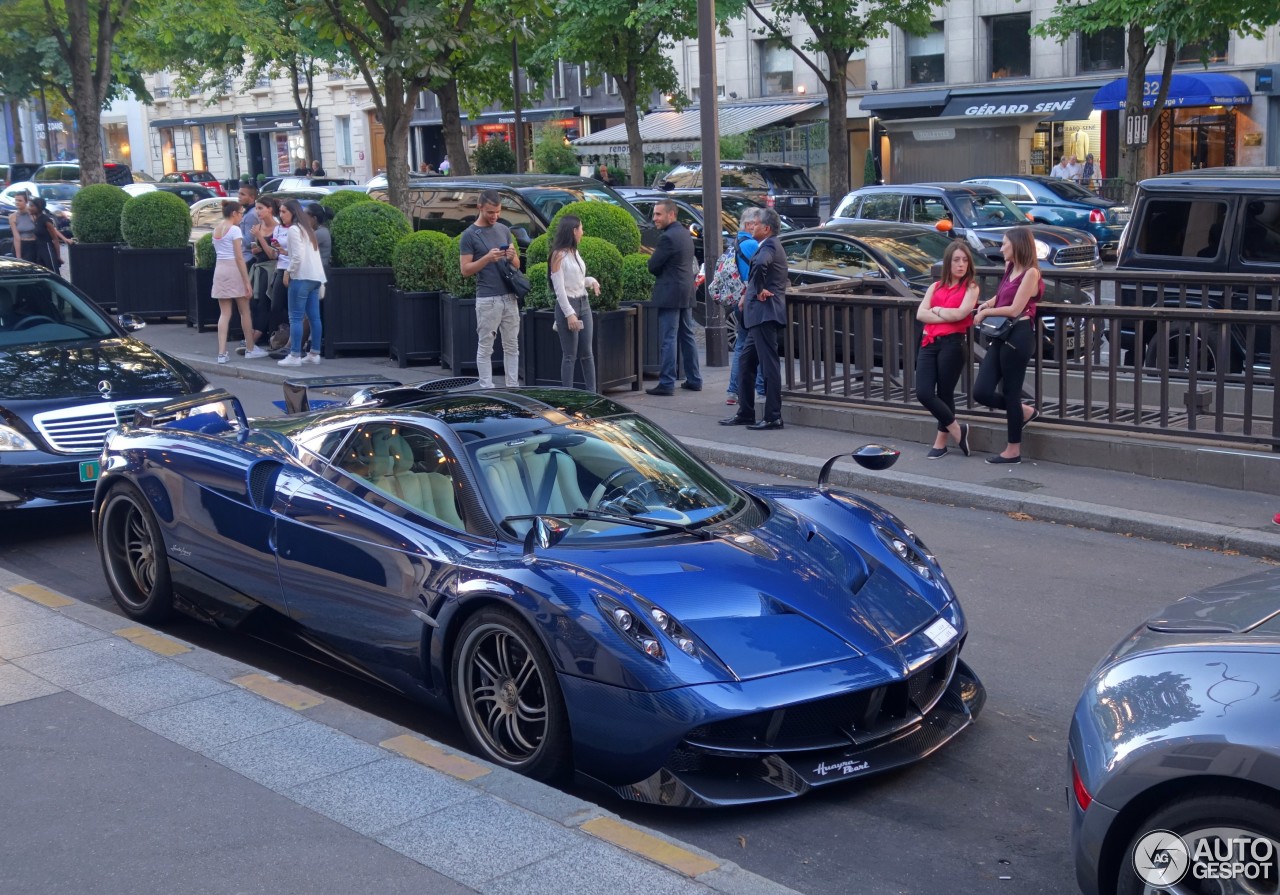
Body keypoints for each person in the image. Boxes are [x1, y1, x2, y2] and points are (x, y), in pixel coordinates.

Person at [972, 227, 1044, 464]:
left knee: (1010, 392)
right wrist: (987, 303)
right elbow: (1003, 295)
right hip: (1003, 333)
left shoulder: (1031, 273)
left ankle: (1013, 450)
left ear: (1017, 245)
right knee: (981, 391)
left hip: (1019, 334)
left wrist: (986, 313)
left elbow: (1015, 309)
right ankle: (1024, 412)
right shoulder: (1010, 267)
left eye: (1004, 244)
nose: (1001, 248)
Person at [720, 208, 787, 430]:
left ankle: (773, 416)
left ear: (766, 228)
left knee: (768, 366)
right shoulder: (766, 245)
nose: (752, 227)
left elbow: (760, 265)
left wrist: (757, 289)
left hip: (765, 313)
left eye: (756, 224)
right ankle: (746, 412)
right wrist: (752, 290)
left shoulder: (769, 245)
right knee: (746, 362)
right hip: (758, 315)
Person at [915, 241, 980, 458]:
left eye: (965, 260)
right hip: (928, 343)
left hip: (953, 344)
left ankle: (940, 443)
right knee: (924, 392)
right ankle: (956, 429)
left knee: (944, 393)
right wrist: (945, 314)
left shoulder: (970, 287)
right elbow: (920, 314)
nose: (961, 264)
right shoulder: (935, 287)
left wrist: (937, 309)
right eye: (956, 260)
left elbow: (960, 315)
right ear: (948, 262)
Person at [459, 189, 521, 388]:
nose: (494, 216)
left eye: (498, 212)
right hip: (488, 298)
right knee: (486, 347)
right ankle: (487, 389)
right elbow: (465, 270)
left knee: (512, 346)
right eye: (490, 212)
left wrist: (511, 256)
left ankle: (513, 387)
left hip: (509, 295)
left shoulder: (504, 230)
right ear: (480, 208)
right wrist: (486, 259)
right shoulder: (469, 235)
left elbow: (518, 265)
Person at [645, 198, 702, 396]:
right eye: (654, 214)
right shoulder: (685, 234)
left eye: (658, 214)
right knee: (687, 336)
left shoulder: (667, 238)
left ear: (671, 214)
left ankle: (667, 382)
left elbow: (653, 266)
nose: (655, 218)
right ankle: (694, 379)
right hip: (685, 291)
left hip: (670, 293)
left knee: (668, 338)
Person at [548, 215, 601, 391]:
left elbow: (577, 280)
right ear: (573, 231)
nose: (582, 233)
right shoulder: (558, 255)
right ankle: (568, 395)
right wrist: (569, 314)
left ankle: (592, 394)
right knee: (570, 355)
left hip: (583, 302)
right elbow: (560, 289)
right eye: (581, 229)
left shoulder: (574, 252)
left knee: (587, 354)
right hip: (568, 304)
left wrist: (591, 281)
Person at [718, 210, 763, 406]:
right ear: (749, 225)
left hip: (737, 301)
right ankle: (761, 390)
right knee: (759, 346)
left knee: (741, 346)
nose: (758, 226)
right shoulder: (753, 245)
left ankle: (732, 391)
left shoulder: (734, 245)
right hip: (750, 301)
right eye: (756, 223)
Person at [277, 198, 326, 367]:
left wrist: (288, 271)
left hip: (301, 276)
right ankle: (314, 353)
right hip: (315, 277)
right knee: (314, 317)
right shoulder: (308, 229)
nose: (281, 215)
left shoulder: (293, 230)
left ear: (293, 212)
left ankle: (295, 355)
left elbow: (297, 256)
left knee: (296, 317)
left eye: (284, 211)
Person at [209, 200, 254, 365]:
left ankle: (221, 353)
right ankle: (250, 348)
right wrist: (247, 282)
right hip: (233, 269)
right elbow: (239, 257)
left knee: (224, 313)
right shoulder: (234, 229)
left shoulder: (216, 229)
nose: (242, 216)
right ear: (234, 213)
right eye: (241, 213)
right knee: (244, 311)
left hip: (219, 269)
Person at [236, 183, 269, 357]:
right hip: (250, 258)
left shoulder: (250, 216)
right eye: (238, 194)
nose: (239, 197)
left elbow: (248, 240)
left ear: (251, 197)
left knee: (251, 301)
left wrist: (236, 236)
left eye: (242, 194)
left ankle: (253, 337)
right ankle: (251, 337)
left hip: (249, 259)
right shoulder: (248, 213)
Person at [27, 198, 73, 271]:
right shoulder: (36, 219)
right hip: (39, 250)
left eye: (32, 206)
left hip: (47, 249)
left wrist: (58, 256)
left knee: (53, 272)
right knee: (42, 272)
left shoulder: (46, 220)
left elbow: (55, 239)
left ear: (38, 207)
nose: (29, 208)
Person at [7, 191, 37, 262]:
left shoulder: (33, 214)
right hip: (20, 245)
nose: (17, 202)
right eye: (16, 200)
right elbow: (16, 237)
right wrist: (18, 257)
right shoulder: (12, 217)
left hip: (32, 245)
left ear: (26, 202)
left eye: (20, 200)